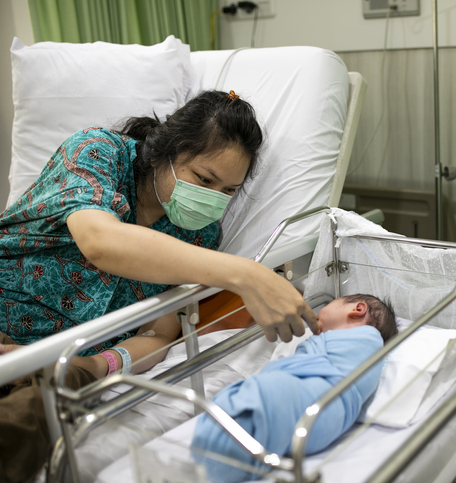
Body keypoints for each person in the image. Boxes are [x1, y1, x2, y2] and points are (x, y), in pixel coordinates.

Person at [0, 90, 318, 483]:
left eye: (228, 192)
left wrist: (98, 365)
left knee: (24, 425)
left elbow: (159, 332)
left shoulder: (199, 236)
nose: (211, 201)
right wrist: (245, 273)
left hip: (66, 367)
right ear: (163, 153)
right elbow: (100, 241)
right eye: (204, 179)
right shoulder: (98, 152)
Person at [191, 294, 397, 482]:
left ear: (357, 310)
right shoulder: (342, 344)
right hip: (324, 422)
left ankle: (219, 458)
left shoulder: (369, 339)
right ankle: (233, 453)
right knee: (268, 404)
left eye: (330, 304)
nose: (316, 318)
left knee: (264, 393)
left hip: (329, 395)